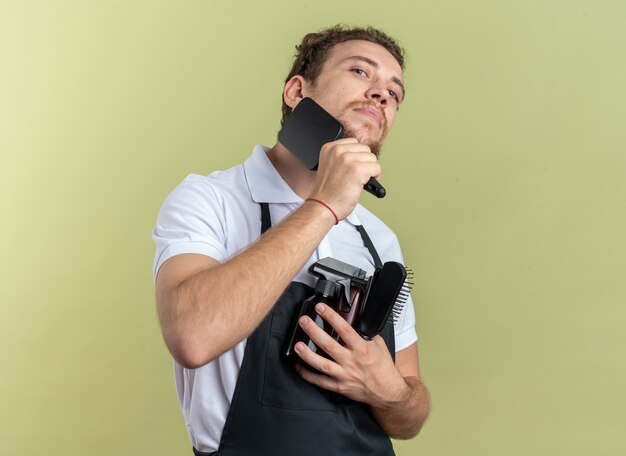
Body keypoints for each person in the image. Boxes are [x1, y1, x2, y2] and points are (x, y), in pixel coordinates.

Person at [152, 25, 430, 456]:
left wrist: (389, 392)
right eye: (361, 72)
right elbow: (192, 337)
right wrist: (325, 205)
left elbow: (410, 417)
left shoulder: (379, 240)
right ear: (298, 91)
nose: (381, 95)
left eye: (394, 93)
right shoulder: (210, 200)